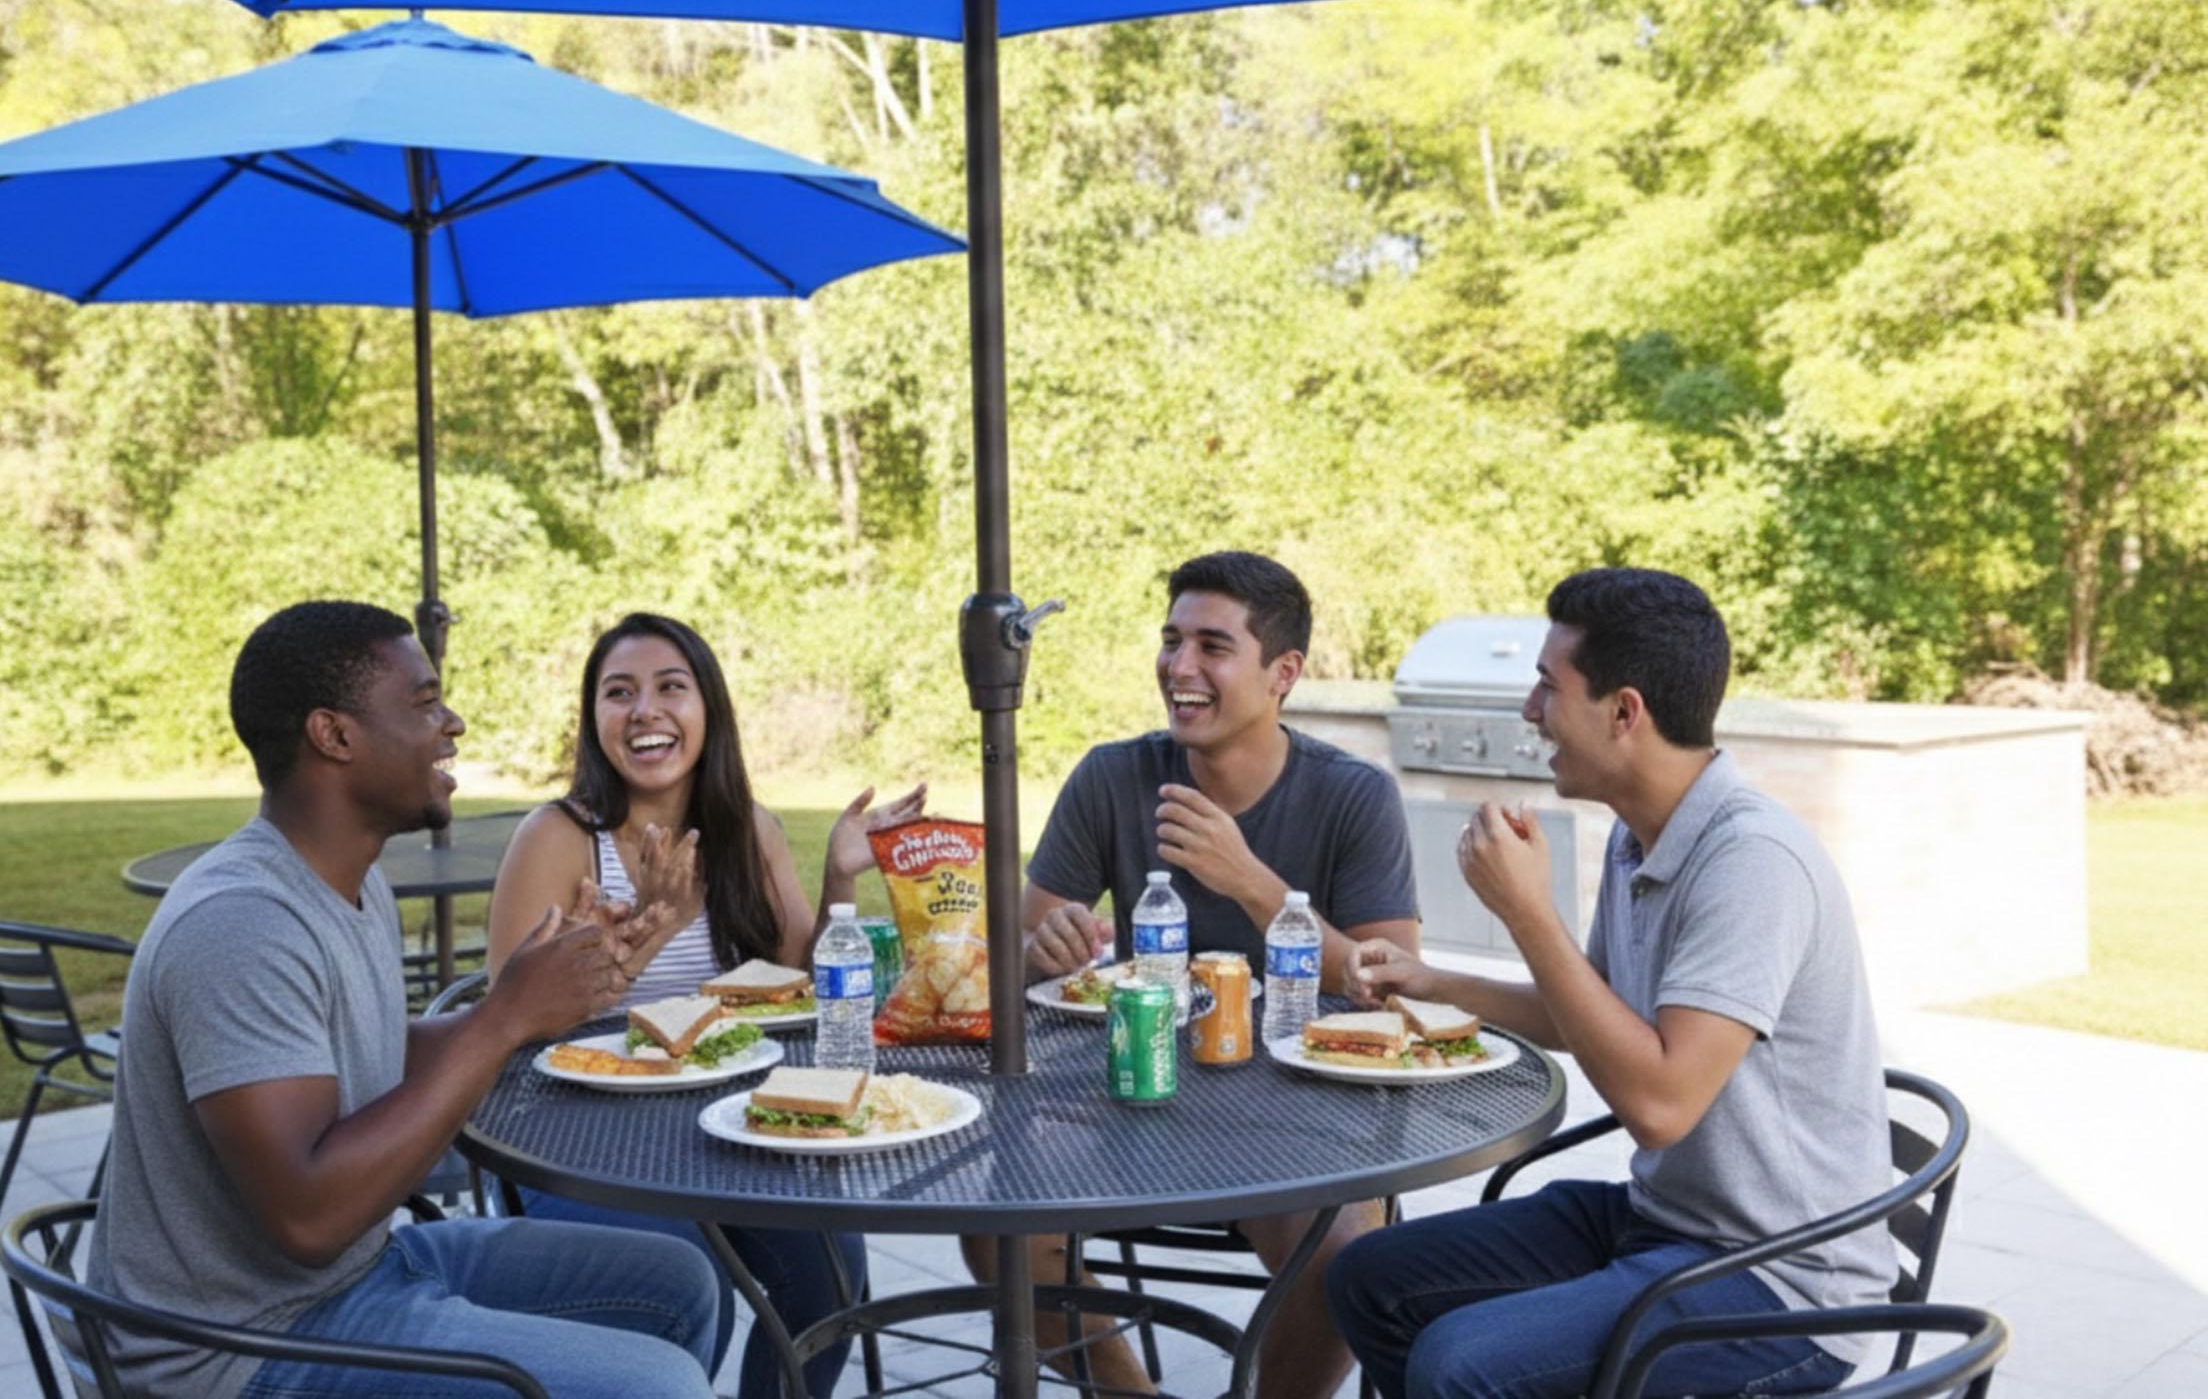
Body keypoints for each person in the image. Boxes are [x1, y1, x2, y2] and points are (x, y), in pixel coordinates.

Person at [88, 600, 720, 1399]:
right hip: (237, 1347)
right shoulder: (241, 922)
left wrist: (550, 995)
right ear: (335, 735)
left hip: (358, 1274)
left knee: (676, 1282)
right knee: (656, 1387)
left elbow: (375, 1054)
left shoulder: (351, 885)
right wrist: (503, 1018)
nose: (451, 723)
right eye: (424, 703)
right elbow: (310, 1221)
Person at [1329, 568, 1889, 1399]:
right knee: (1368, 1276)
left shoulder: (1750, 863)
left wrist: (1529, 915)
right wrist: (1435, 979)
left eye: (1547, 688)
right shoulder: (1641, 840)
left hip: (1778, 1283)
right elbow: (1591, 1012)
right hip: (1668, 1224)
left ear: (1624, 712)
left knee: (1460, 1362)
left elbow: (1659, 1108)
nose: (1529, 712)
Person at [967, 550, 1422, 1399]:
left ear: (1283, 672)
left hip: (1298, 1116)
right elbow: (1020, 946)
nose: (1179, 667)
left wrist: (1250, 883)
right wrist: (1048, 942)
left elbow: (1388, 985)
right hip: (1125, 1098)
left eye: (1213, 646)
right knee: (996, 1225)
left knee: (1344, 1254)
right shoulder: (1114, 776)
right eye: (1172, 640)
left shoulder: (1354, 796)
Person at [487, 610, 925, 1399]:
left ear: (708, 710)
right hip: (581, 1135)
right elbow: (507, 1030)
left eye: (670, 689)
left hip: (726, 1122)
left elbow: (801, 976)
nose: (645, 710)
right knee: (687, 1286)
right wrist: (656, 928)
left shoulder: (744, 830)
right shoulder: (556, 838)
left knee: (833, 1273)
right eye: (619, 692)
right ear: (595, 721)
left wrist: (839, 879)